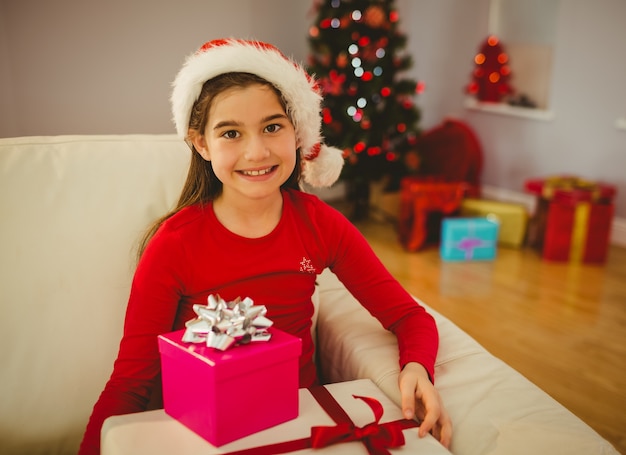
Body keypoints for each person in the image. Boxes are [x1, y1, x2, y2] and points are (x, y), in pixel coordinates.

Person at [79, 38, 452, 454]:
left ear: (297, 133)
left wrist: (417, 368)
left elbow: (408, 316)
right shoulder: (174, 245)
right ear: (201, 144)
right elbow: (130, 382)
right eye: (231, 133)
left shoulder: (321, 224)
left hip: (299, 428)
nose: (256, 151)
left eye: (272, 127)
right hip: (203, 436)